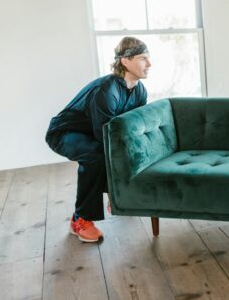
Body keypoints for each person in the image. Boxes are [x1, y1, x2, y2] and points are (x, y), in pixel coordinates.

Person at [46, 37, 151, 242]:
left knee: (118, 150)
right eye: (143, 58)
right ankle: (80, 220)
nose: (149, 64)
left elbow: (134, 128)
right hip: (64, 132)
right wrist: (112, 187)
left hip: (93, 133)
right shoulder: (107, 90)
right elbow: (105, 136)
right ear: (125, 61)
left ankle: (120, 198)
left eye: (149, 58)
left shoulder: (139, 91)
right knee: (95, 154)